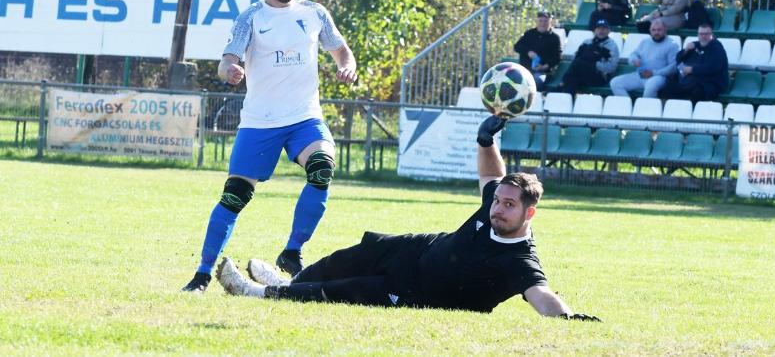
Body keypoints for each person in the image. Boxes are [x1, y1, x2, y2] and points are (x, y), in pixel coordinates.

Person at [213, 116, 601, 321]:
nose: (498, 208)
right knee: (347, 258)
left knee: (346, 289)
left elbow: (542, 297)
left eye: (508, 206)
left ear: (529, 213)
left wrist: (567, 318)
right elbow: (491, 176)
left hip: (420, 292)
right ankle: (291, 280)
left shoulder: (520, 261)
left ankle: (260, 293)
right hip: (416, 248)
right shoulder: (496, 201)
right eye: (498, 202)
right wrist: (487, 142)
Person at [181, 0, 358, 293]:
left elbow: (340, 49)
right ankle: (202, 274)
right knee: (235, 196)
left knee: (322, 168)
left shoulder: (314, 13)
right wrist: (229, 69)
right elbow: (226, 59)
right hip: (260, 122)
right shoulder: (250, 18)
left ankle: (292, 252)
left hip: (304, 117)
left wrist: (346, 65)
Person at [609, 19, 679, 98]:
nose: (656, 33)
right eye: (653, 30)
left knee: (651, 86)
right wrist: (634, 60)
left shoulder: (672, 45)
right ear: (650, 30)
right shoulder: (645, 42)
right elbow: (633, 54)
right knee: (615, 83)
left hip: (659, 77)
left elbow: (673, 67)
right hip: (641, 75)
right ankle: (628, 106)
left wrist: (653, 73)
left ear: (665, 30)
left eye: (659, 30)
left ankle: (646, 109)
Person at [659, 23, 729, 103]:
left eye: (706, 34)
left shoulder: (717, 48)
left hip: (710, 83)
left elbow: (713, 67)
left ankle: (691, 113)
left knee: (698, 93)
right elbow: (678, 58)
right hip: (690, 81)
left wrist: (692, 69)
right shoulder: (696, 45)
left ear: (711, 35)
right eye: (701, 34)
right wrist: (686, 50)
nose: (703, 36)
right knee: (667, 89)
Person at [557, 19, 620, 95]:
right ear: (594, 30)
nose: (601, 31)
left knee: (577, 65)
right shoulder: (587, 42)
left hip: (599, 76)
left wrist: (594, 65)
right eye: (599, 28)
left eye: (604, 28)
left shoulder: (612, 46)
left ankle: (561, 84)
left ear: (608, 31)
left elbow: (611, 67)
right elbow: (575, 57)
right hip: (581, 72)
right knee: (573, 80)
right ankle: (567, 103)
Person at [514, 12, 562, 91]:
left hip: (542, 73)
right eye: (540, 21)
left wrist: (545, 66)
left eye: (545, 21)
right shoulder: (529, 34)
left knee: (536, 82)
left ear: (550, 22)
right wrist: (528, 52)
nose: (543, 23)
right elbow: (517, 46)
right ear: (537, 21)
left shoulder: (554, 38)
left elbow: (557, 57)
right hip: (525, 70)